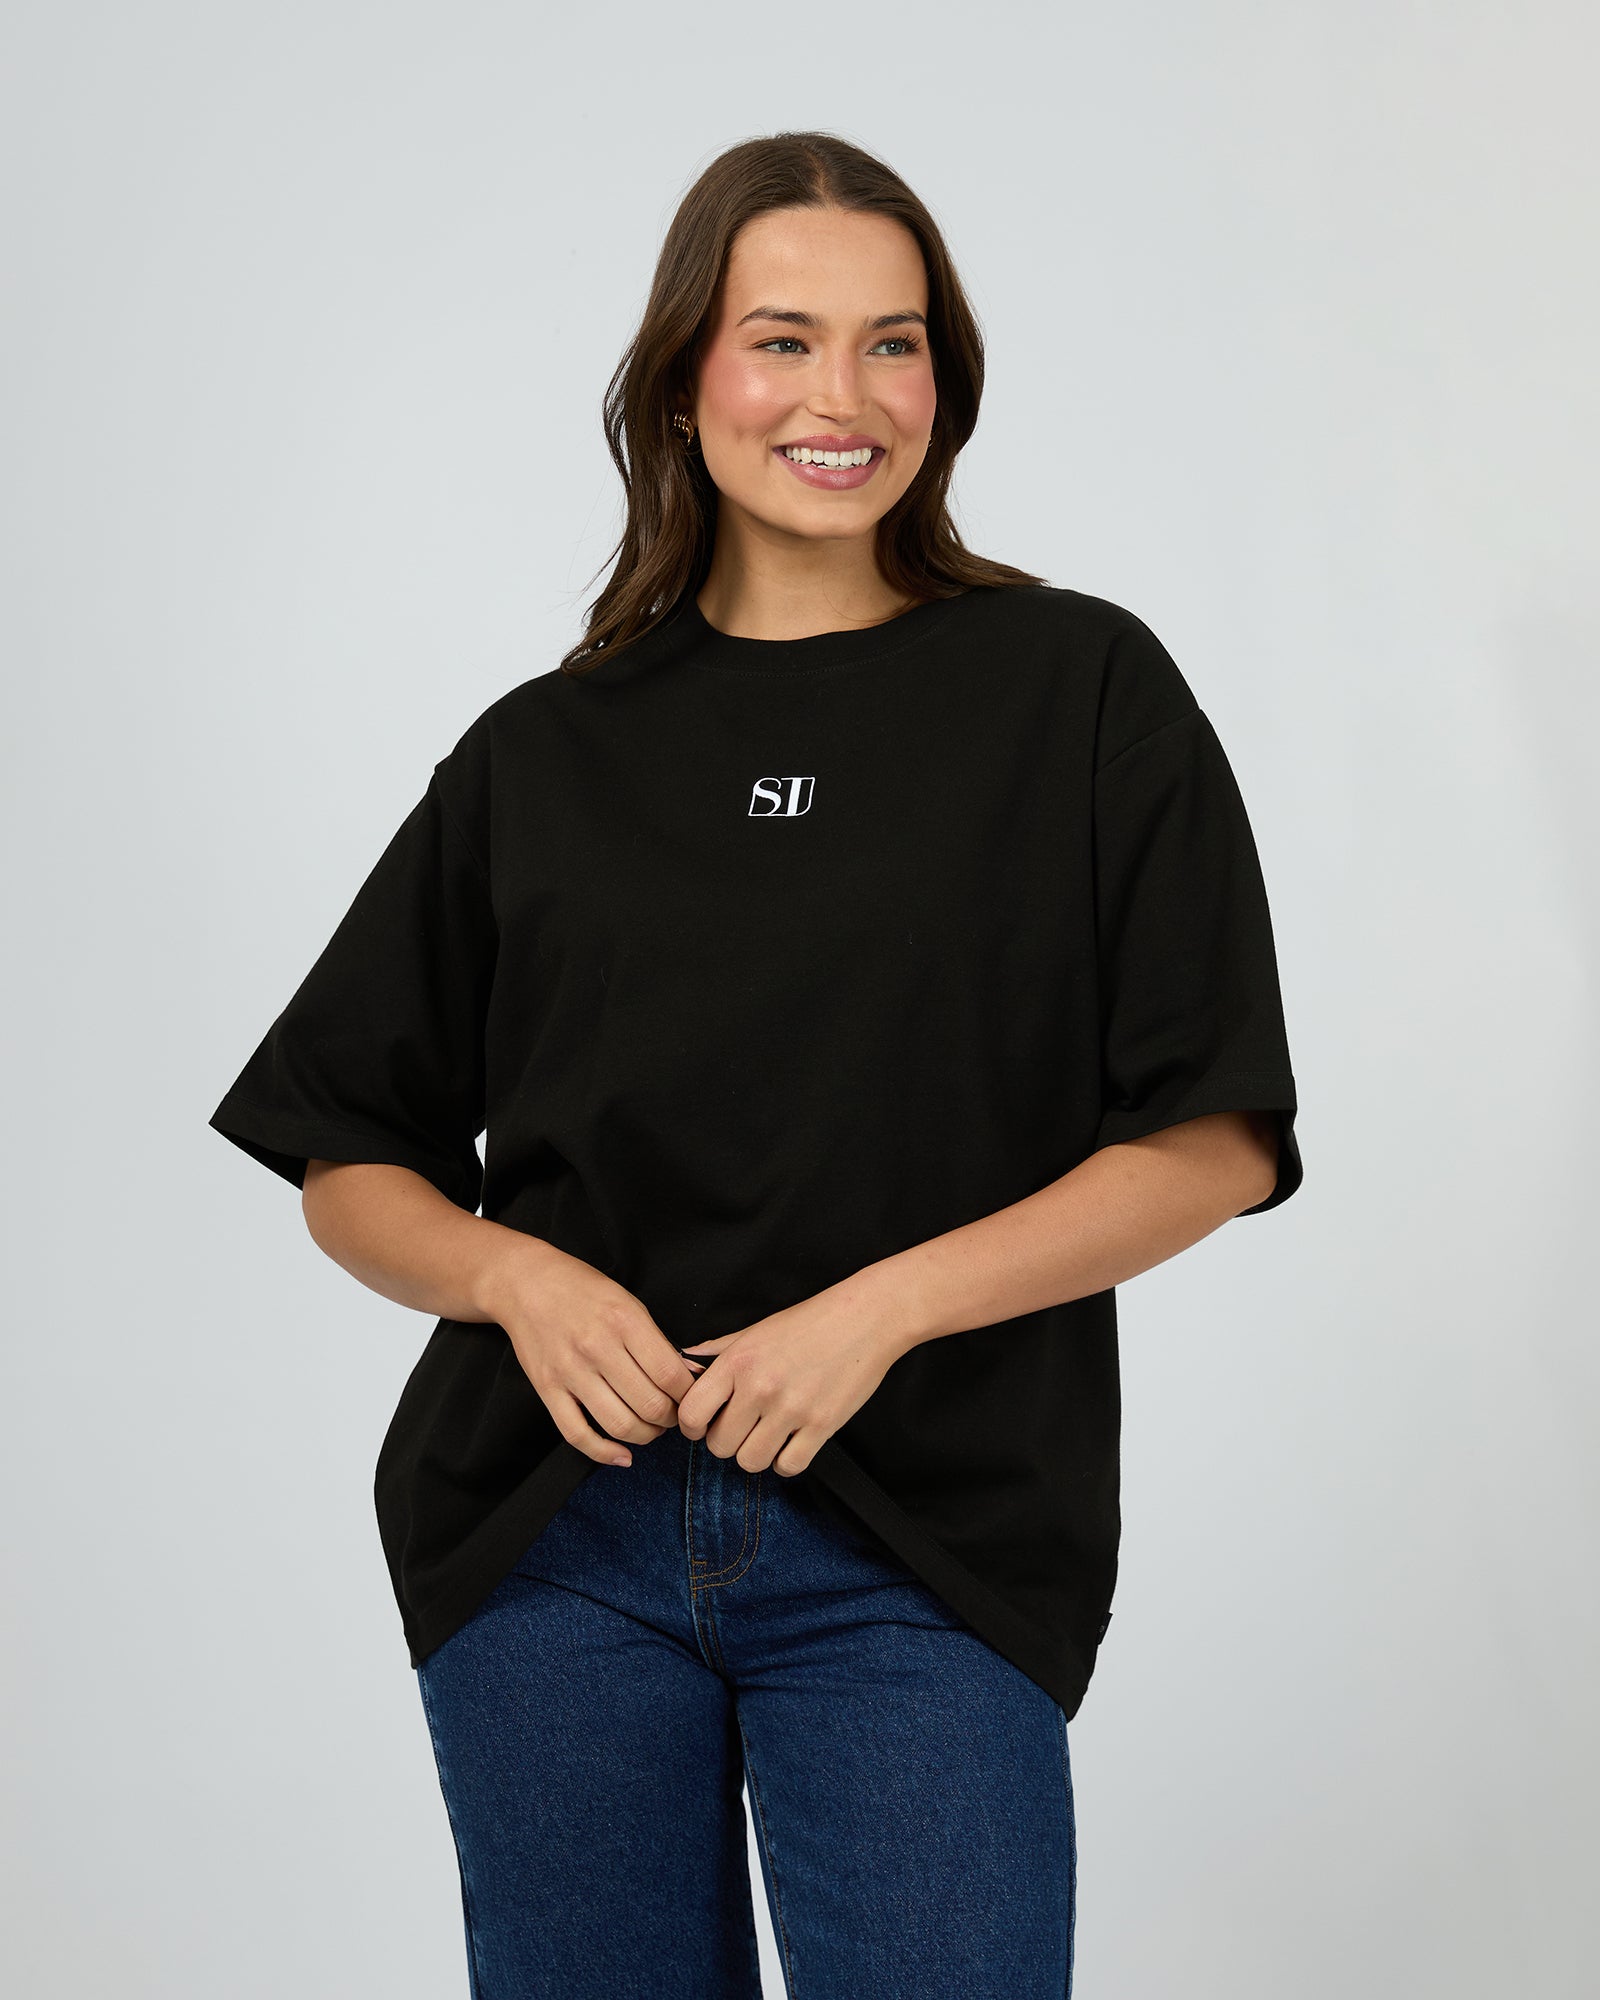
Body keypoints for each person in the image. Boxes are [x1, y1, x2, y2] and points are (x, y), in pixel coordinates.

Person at [209, 130, 1302, 2000]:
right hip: (552, 1543)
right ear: (683, 380)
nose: (840, 397)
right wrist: (514, 1279)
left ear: (944, 381)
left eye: (894, 344)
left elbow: (1212, 1139)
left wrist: (880, 1313)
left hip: (925, 1536)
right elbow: (348, 1154)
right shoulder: (544, 753)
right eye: (782, 339)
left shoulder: (1079, 690)